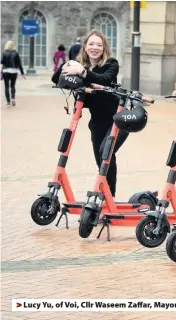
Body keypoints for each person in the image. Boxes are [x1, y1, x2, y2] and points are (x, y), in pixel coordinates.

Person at [52, 30, 127, 197]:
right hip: (97, 123)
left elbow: (104, 79)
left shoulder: (111, 64)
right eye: (91, 44)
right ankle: (104, 196)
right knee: (100, 161)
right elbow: (55, 79)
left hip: (118, 120)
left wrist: (83, 72)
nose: (95, 48)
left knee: (105, 154)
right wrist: (69, 64)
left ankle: (110, 197)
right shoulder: (81, 65)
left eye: (99, 45)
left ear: (104, 48)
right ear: (85, 47)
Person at [1, 40, 26, 107]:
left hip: (6, 71)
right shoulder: (16, 53)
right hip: (14, 71)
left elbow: (1, 63)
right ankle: (13, 98)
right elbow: (19, 64)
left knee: (6, 86)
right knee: (12, 86)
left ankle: (8, 102)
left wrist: (0, 72)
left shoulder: (4, 53)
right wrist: (22, 73)